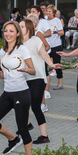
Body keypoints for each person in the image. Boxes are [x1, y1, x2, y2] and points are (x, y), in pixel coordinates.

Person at [0, 21, 36, 155]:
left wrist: (27, 70)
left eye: (11, 31)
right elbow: (9, 71)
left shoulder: (22, 49)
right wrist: (1, 75)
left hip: (21, 93)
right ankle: (13, 140)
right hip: (7, 93)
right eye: (6, 31)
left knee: (23, 128)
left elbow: (33, 71)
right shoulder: (3, 51)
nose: (8, 34)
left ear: (18, 33)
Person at [21, 18, 54, 146]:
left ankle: (44, 136)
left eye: (22, 26)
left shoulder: (36, 40)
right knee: (23, 105)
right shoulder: (18, 43)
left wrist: (51, 64)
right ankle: (27, 125)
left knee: (35, 106)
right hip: (24, 78)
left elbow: (44, 54)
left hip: (37, 78)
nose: (20, 28)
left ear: (28, 28)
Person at [37, 6, 64, 93]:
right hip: (46, 45)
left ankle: (60, 82)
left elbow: (62, 32)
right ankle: (46, 82)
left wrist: (57, 32)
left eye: (49, 11)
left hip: (56, 45)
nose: (47, 13)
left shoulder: (57, 20)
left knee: (57, 63)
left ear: (53, 13)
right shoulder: (43, 20)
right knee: (45, 64)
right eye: (47, 11)